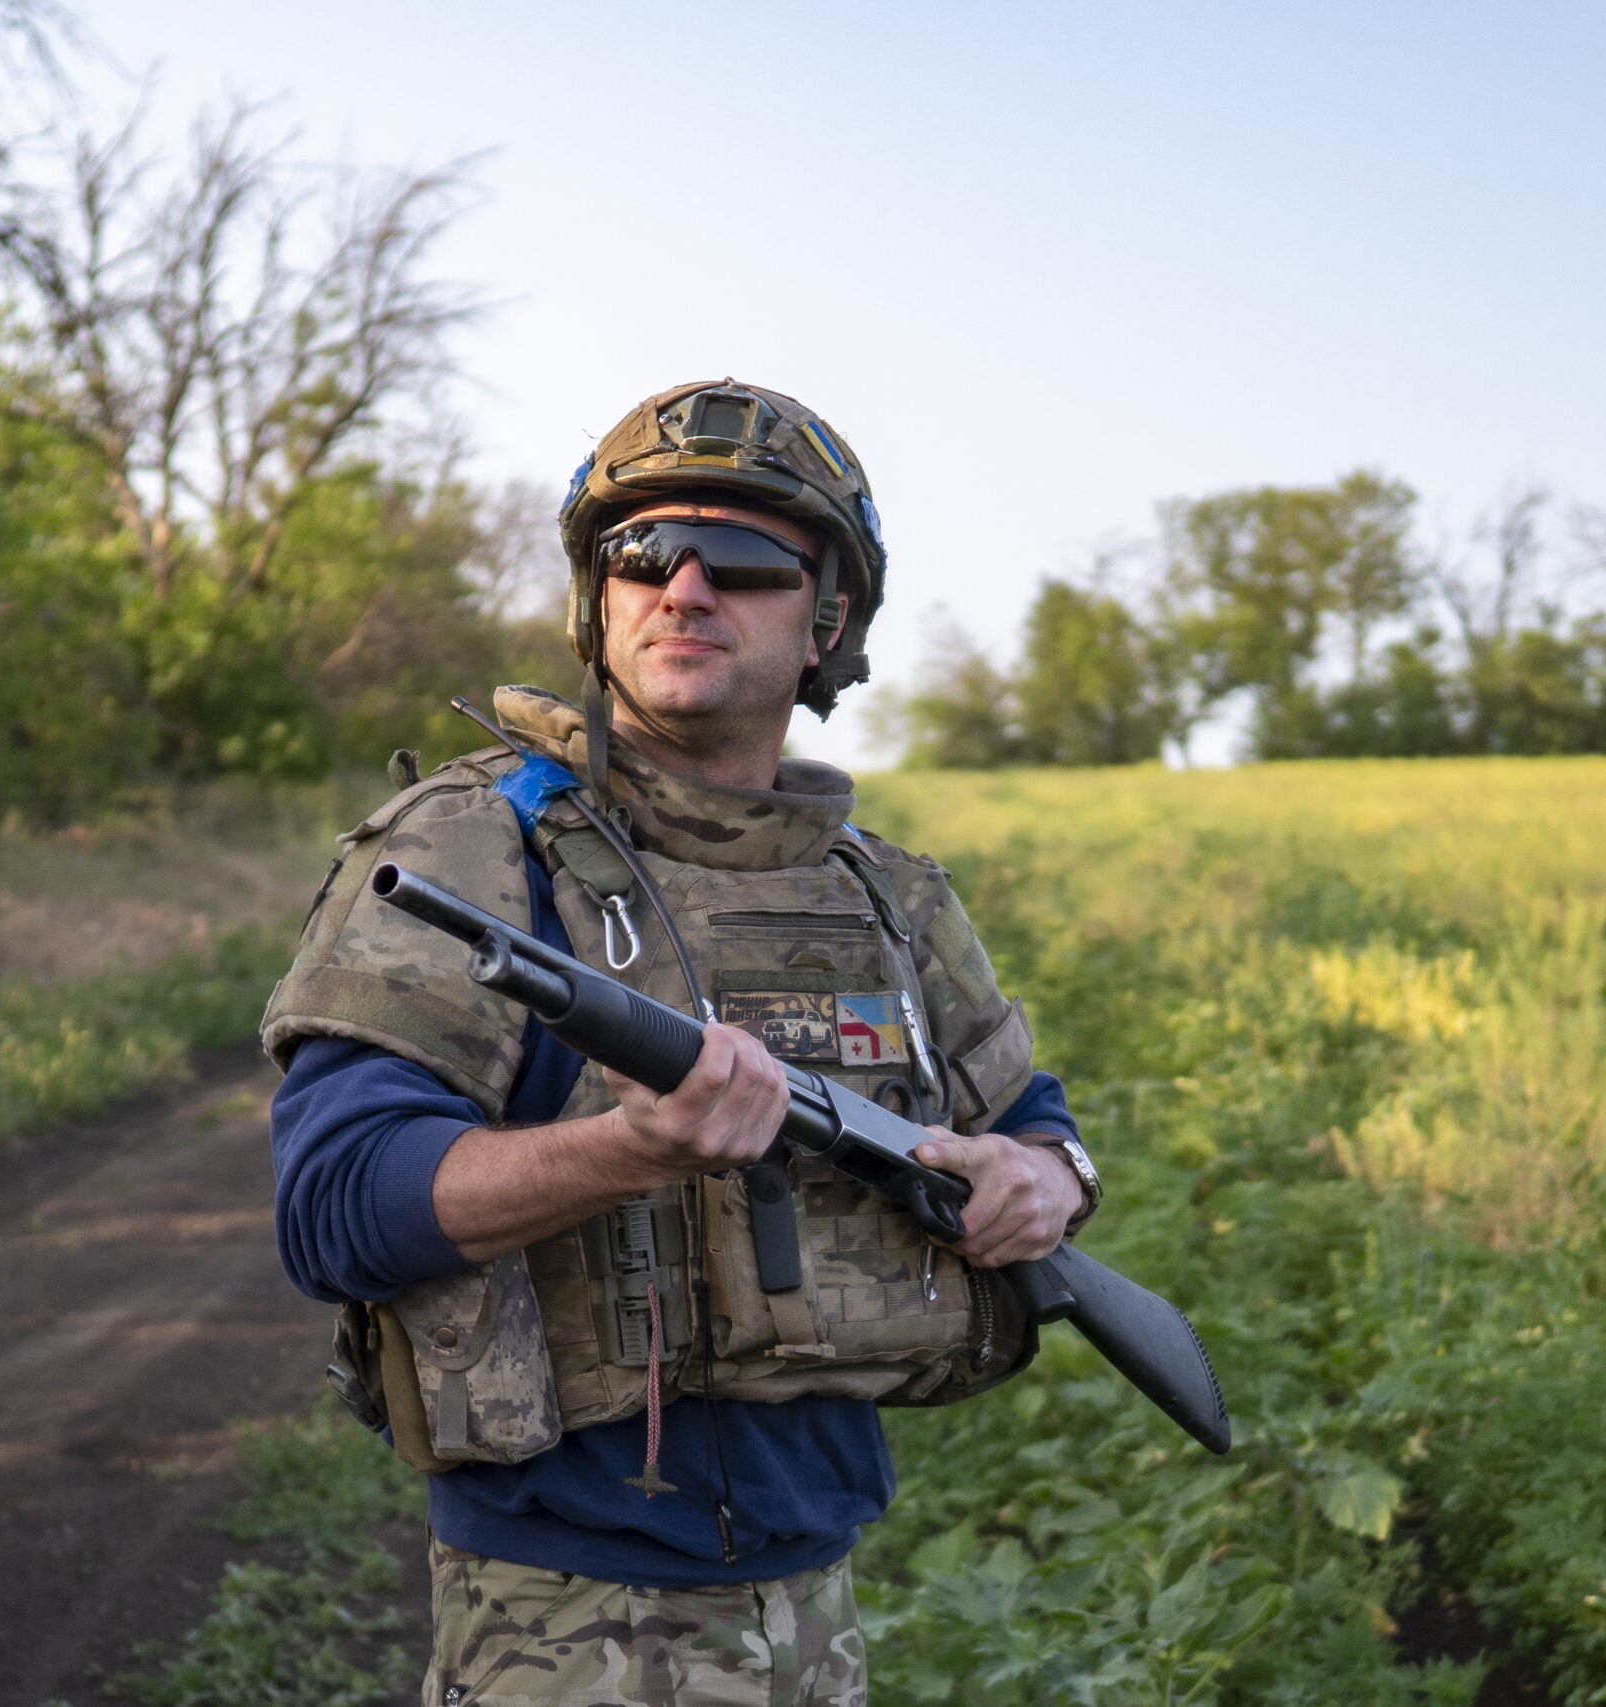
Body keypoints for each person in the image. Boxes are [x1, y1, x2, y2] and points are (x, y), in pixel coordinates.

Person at [260, 380, 1104, 1706]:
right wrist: (630, 1148)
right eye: (641, 555)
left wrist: (1051, 1181)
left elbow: (1031, 1114)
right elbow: (333, 1206)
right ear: (600, 602)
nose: (684, 587)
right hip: (564, 1622)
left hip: (815, 1605)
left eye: (750, 561)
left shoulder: (882, 893)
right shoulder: (470, 849)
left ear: (828, 618)